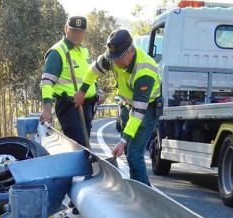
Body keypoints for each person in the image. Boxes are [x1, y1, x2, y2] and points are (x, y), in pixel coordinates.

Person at [75, 29, 162, 187]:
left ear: (130, 51)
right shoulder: (113, 57)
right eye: (112, 58)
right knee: (129, 153)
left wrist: (123, 141)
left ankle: (145, 198)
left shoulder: (145, 71)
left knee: (134, 153)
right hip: (128, 103)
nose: (114, 63)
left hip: (147, 108)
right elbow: (92, 71)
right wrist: (82, 91)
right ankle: (137, 189)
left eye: (117, 58)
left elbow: (138, 112)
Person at [39, 15, 97, 147]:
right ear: (66, 29)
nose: (77, 34)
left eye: (80, 32)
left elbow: (90, 74)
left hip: (87, 106)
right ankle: (80, 168)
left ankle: (84, 167)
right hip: (70, 107)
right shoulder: (57, 52)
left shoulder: (84, 51)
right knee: (79, 146)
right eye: (73, 31)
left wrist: (97, 90)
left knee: (85, 146)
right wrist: (47, 109)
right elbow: (47, 82)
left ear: (84, 33)